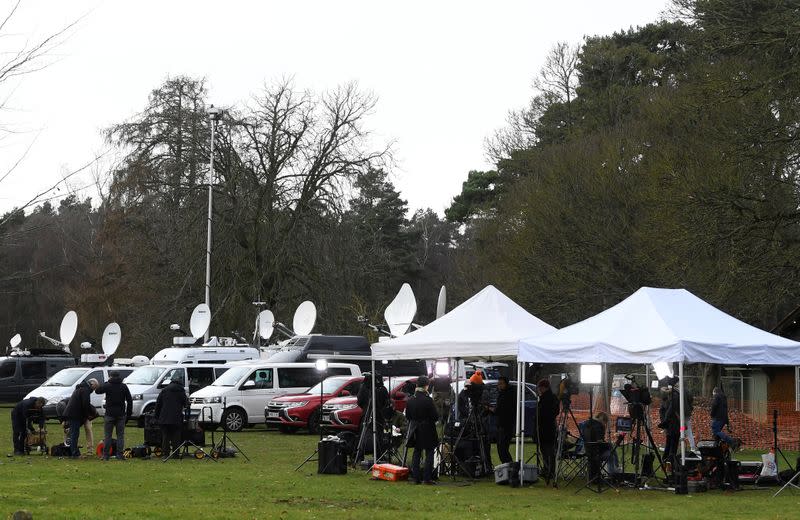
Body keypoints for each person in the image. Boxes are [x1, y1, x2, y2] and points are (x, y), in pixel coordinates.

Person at [405, 376, 439, 484]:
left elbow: (408, 416)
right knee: (429, 452)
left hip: (415, 428)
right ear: (426, 386)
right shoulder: (428, 400)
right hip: (428, 428)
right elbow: (435, 416)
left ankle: (416, 477)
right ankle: (427, 478)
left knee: (417, 452)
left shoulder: (410, 400)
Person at [95, 371, 133, 460]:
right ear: (119, 376)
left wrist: (105, 383)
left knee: (108, 435)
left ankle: (106, 455)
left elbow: (97, 391)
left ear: (110, 376)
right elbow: (129, 400)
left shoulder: (107, 385)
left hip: (109, 414)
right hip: (121, 414)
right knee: (120, 435)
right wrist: (129, 414)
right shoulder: (123, 386)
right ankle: (120, 455)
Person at [154, 377, 188, 460]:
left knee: (165, 436)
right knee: (176, 436)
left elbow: (158, 404)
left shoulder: (164, 390)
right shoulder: (181, 391)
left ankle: (166, 454)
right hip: (176, 417)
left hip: (164, 417)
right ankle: (175, 454)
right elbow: (186, 403)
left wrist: (157, 416)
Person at [64, 378, 99, 458]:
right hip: (75, 414)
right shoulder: (85, 390)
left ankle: (74, 452)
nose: (94, 390)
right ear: (92, 384)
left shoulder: (81, 389)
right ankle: (75, 453)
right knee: (74, 434)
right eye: (95, 387)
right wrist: (89, 414)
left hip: (73, 413)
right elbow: (85, 404)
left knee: (74, 433)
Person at [536, 378, 560, 481]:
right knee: (547, 451)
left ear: (543, 387)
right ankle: (548, 469)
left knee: (548, 451)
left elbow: (546, 413)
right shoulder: (552, 397)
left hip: (546, 428)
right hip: (548, 427)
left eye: (540, 388)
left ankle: (549, 470)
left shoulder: (547, 398)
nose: (539, 390)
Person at [491, 376, 515, 464]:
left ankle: (509, 466)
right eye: (498, 384)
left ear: (506, 384)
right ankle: (507, 466)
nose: (499, 386)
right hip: (502, 424)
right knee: (501, 448)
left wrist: (492, 409)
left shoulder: (508, 395)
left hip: (506, 425)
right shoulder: (502, 394)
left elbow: (501, 409)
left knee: (503, 448)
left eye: (501, 384)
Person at [658, 379, 680, 469]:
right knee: (673, 444)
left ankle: (665, 461)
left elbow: (662, 411)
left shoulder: (665, 398)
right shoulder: (674, 396)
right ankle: (670, 462)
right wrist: (665, 420)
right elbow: (670, 410)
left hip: (669, 424)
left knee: (669, 443)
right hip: (673, 423)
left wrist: (664, 421)